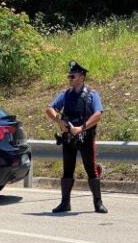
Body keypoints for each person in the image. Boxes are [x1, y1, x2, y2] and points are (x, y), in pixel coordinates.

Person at [46, 60, 107, 214]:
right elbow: (50, 109)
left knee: (91, 170)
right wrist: (59, 121)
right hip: (68, 139)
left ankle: (98, 203)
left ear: (82, 77)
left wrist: (81, 128)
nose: (70, 78)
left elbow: (98, 114)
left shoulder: (93, 95)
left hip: (86, 137)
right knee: (67, 170)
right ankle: (65, 203)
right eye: (69, 76)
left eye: (72, 76)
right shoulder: (65, 94)